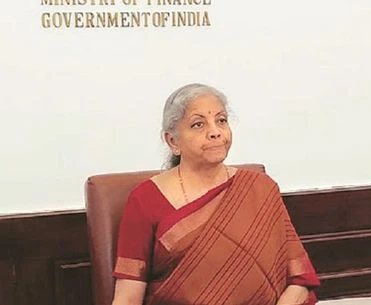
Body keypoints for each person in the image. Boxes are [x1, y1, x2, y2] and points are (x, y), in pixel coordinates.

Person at [110, 83, 320, 305]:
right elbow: (128, 297)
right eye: (198, 124)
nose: (215, 131)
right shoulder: (145, 200)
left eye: (221, 120)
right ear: (173, 141)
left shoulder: (261, 188)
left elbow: (299, 279)